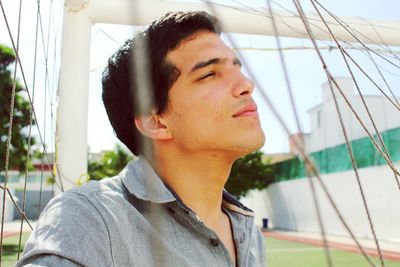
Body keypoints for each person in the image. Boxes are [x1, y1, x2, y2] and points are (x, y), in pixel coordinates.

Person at [17, 11, 266, 267]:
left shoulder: (247, 230)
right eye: (208, 74)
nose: (246, 83)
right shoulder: (89, 218)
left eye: (237, 67)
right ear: (155, 121)